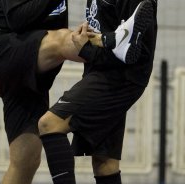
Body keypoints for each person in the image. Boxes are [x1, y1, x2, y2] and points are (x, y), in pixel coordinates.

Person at [0, 0, 134, 183]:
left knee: (25, 161)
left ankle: (116, 47)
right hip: (5, 52)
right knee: (64, 39)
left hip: (32, 73)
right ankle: (114, 44)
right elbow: (17, 18)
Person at [38, 0, 158, 184]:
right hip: (101, 72)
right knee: (105, 163)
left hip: (119, 79)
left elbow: (135, 53)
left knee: (50, 124)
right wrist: (90, 41)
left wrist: (87, 48)